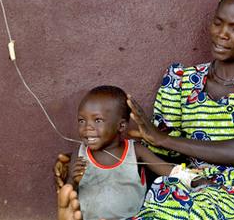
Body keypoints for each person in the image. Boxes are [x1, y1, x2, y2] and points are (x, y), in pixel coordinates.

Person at [58, 0, 234, 219]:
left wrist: (161, 138)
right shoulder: (181, 81)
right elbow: (164, 155)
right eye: (218, 23)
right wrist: (93, 161)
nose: (222, 34)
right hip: (194, 184)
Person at [71, 85, 197, 220]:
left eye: (98, 120)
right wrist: (74, 181)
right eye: (82, 121)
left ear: (121, 126)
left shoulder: (134, 150)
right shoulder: (79, 155)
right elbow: (67, 194)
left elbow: (170, 172)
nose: (87, 127)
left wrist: (195, 180)